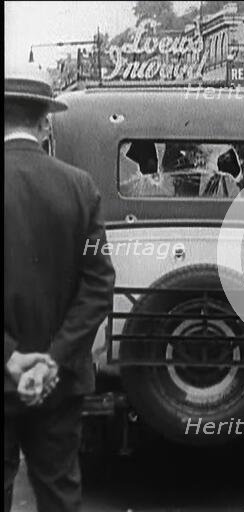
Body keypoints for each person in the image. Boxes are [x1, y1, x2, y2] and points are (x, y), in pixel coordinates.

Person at [5, 63, 116, 511]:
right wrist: (51, 361)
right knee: (58, 492)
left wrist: (11, 357)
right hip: (61, 383)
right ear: (45, 121)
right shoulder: (80, 189)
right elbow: (98, 283)